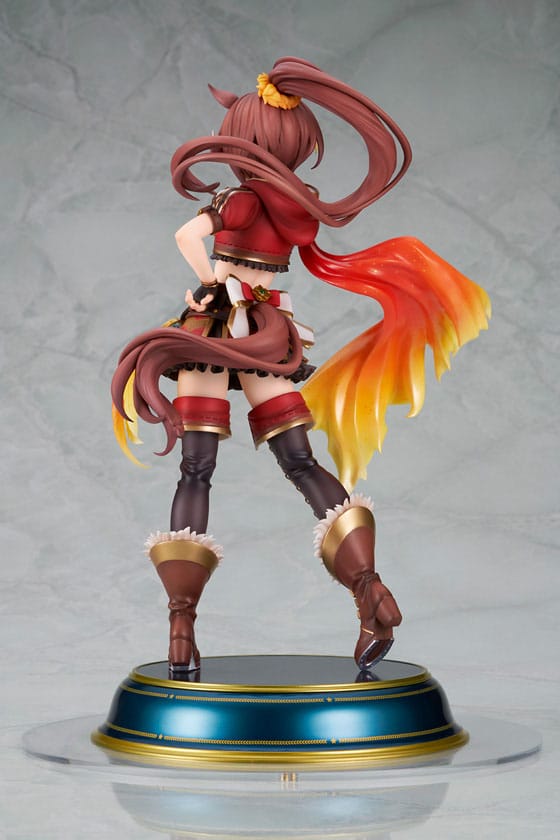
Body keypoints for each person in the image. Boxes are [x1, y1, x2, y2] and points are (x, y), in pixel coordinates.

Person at [111, 57, 490, 677]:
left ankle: (181, 622)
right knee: (301, 463)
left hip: (215, 331)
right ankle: (369, 586)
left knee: (196, 470)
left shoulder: (237, 200)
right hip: (268, 335)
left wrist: (209, 285)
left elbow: (185, 236)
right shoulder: (301, 207)